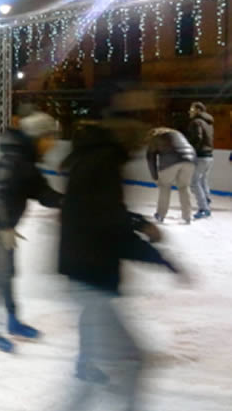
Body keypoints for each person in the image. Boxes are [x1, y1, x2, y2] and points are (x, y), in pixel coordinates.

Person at [57, 93, 188, 411]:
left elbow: (104, 212)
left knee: (98, 372)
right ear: (122, 123)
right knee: (131, 362)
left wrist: (138, 223)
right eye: (138, 122)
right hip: (92, 275)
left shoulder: (97, 155)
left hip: (85, 271)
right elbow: (109, 225)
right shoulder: (104, 159)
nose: (143, 132)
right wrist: (162, 259)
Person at [0, 111, 63, 353]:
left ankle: (12, 320)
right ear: (37, 136)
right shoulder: (13, 160)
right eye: (49, 137)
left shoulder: (25, 160)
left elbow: (44, 194)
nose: (52, 143)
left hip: (3, 226)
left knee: (7, 275)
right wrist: (5, 226)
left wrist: (72, 202)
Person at [146, 128, 196, 224]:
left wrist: (155, 176)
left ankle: (160, 214)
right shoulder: (177, 133)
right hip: (190, 159)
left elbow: (150, 158)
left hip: (170, 160)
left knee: (165, 186)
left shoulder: (155, 137)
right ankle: (187, 216)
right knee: (184, 187)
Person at [183, 102, 214, 219]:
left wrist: (189, 149)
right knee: (202, 179)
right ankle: (206, 199)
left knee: (194, 182)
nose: (189, 112)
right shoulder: (209, 123)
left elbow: (198, 138)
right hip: (209, 156)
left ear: (198, 110)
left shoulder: (196, 122)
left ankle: (204, 209)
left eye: (191, 109)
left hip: (200, 156)